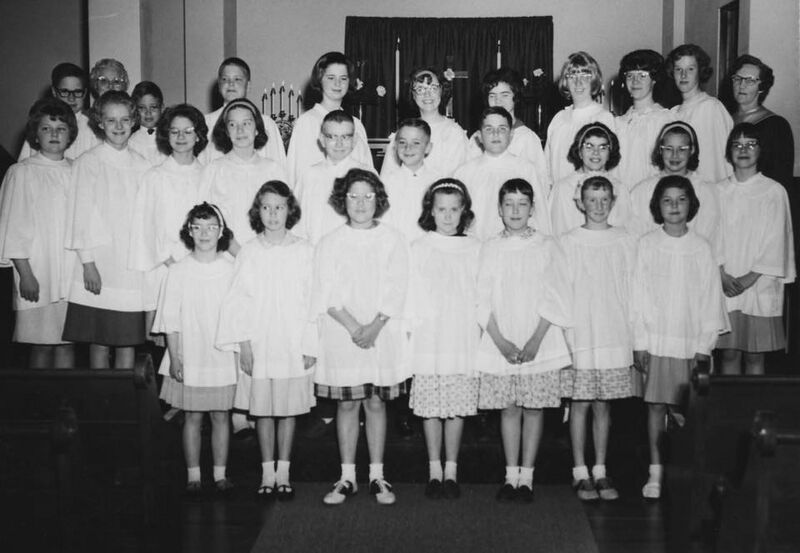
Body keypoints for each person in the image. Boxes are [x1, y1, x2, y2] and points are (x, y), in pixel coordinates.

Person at [308, 168, 409, 506]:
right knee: (347, 405)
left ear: (378, 199)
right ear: (343, 200)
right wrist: (354, 328)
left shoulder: (393, 238)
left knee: (376, 403)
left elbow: (399, 286)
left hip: (381, 333)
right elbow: (324, 292)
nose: (361, 203)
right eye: (354, 196)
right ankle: (347, 476)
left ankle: (377, 476)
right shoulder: (330, 242)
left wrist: (376, 325)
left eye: (368, 196)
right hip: (343, 335)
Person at [541, 176, 638, 502]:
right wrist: (566, 336)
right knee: (580, 404)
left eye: (604, 200)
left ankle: (600, 468)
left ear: (613, 202)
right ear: (580, 203)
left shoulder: (626, 240)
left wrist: (635, 335)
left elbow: (634, 290)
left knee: (603, 406)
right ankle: (579, 471)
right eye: (591, 200)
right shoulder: (567, 242)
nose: (598, 207)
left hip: (613, 334)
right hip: (580, 335)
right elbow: (558, 291)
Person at [631, 175, 729, 500]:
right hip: (656, 341)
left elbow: (711, 298)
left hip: (689, 342)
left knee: (687, 408)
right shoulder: (646, 244)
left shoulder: (701, 248)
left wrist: (704, 345)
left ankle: (684, 469)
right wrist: (640, 341)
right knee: (656, 406)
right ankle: (656, 472)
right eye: (667, 201)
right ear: (658, 206)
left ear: (692, 204)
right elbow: (637, 295)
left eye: (681, 200)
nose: (674, 206)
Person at [217, 181, 315, 501]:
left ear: (290, 210)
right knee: (263, 410)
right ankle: (267, 472)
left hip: (291, 341)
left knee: (286, 409)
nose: (273, 214)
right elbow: (237, 301)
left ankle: (284, 472)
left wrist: (310, 345)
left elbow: (313, 300)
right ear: (258, 211)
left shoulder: (303, 249)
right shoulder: (250, 250)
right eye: (266, 207)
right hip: (259, 342)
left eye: (279, 207)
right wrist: (243, 345)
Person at [476, 178, 571, 503]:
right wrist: (500, 340)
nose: (515, 211)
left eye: (522, 204)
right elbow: (481, 298)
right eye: (509, 204)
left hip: (539, 337)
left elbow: (556, 294)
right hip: (501, 335)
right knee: (509, 408)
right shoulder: (489, 246)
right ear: (500, 210)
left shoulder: (546, 244)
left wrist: (535, 340)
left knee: (533, 409)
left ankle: (527, 478)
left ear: (532, 209)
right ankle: (510, 475)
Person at [62, 90, 150, 369]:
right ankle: (99, 403)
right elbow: (79, 215)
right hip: (99, 262)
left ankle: (124, 404)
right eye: (111, 120)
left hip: (129, 266)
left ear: (134, 121)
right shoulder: (88, 162)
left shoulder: (143, 165)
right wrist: (88, 264)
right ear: (99, 122)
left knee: (127, 339)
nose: (119, 126)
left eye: (125, 120)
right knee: (99, 341)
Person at [155, 202, 237, 496]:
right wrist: (176, 356)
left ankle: (219, 474)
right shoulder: (178, 271)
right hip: (189, 354)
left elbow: (238, 316)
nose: (204, 233)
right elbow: (170, 319)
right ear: (189, 231)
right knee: (192, 416)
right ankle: (193, 475)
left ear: (221, 231)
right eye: (197, 227)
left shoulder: (231, 270)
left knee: (220, 416)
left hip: (221, 356)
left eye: (211, 227)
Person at [406, 178, 480, 500]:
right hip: (429, 336)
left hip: (461, 335)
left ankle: (452, 469)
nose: (448, 217)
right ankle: (434, 468)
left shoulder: (475, 248)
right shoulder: (419, 247)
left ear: (463, 212)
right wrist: (413, 331)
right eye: (441, 210)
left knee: (456, 407)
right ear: (431, 211)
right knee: (432, 407)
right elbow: (410, 295)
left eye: (454, 210)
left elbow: (481, 294)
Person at [0, 98, 78, 368]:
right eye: (46, 128)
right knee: (42, 345)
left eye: (61, 128)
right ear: (34, 134)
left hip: (70, 274)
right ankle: (39, 406)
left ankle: (65, 406)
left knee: (67, 344)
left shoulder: (77, 171)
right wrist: (26, 274)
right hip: (38, 274)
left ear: (71, 134)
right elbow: (13, 227)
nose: (54, 134)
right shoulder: (22, 172)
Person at [716, 123, 795, 374]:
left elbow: (777, 240)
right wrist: (721, 275)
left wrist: (749, 278)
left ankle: (749, 412)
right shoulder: (716, 191)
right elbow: (710, 237)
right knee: (728, 353)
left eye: (751, 144)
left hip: (758, 284)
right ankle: (730, 413)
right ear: (728, 151)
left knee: (754, 355)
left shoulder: (773, 191)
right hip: (725, 284)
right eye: (737, 145)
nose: (744, 150)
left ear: (761, 150)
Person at [129, 104, 208, 341]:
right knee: (164, 337)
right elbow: (144, 225)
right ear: (166, 135)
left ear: (199, 135)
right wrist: (166, 255)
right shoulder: (154, 176)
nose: (181, 137)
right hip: (163, 265)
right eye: (174, 131)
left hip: (199, 261)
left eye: (188, 131)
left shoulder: (207, 174)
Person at [200, 98, 288, 255]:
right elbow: (204, 219)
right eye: (233, 125)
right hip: (225, 258)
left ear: (257, 129)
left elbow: (285, 216)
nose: (240, 130)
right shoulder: (213, 170)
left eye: (246, 123)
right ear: (226, 132)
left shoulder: (273, 170)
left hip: (267, 256)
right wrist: (237, 253)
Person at [629, 122, 723, 262]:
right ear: (660, 150)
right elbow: (634, 236)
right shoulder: (642, 191)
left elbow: (713, 236)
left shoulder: (706, 190)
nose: (675, 155)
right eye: (668, 149)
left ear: (692, 150)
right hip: (654, 264)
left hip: (694, 263)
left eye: (682, 149)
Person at [454, 107, 550, 240]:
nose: (495, 134)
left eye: (502, 128)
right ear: (479, 137)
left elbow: (541, 215)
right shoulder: (464, 172)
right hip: (476, 246)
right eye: (489, 129)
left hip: (516, 246)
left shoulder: (526, 169)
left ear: (511, 135)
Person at [286, 52, 373, 184]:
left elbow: (367, 171)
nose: (338, 84)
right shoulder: (307, 122)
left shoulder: (357, 124)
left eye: (343, 78)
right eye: (331, 78)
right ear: (320, 80)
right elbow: (298, 174)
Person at [293, 110, 375, 244]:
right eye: (332, 137)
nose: (339, 143)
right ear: (322, 140)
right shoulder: (309, 175)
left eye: (345, 137)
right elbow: (298, 223)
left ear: (354, 140)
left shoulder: (367, 175)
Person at [381, 67, 468, 178]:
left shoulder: (454, 132)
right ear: (413, 94)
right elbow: (388, 175)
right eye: (420, 89)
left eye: (433, 88)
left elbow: (460, 176)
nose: (427, 94)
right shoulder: (404, 132)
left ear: (441, 91)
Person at [544, 52, 615, 188]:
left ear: (594, 80)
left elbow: (611, 166)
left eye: (585, 76)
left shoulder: (603, 118)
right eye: (572, 76)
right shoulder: (559, 119)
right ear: (566, 81)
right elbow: (546, 166)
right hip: (559, 195)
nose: (578, 82)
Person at [467, 67, 548, 186]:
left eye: (505, 95)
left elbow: (540, 183)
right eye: (492, 95)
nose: (498, 101)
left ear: (516, 98)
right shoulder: (477, 138)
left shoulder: (527, 138)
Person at [726, 54, 795, 191]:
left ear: (762, 87)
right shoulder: (724, 120)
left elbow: (781, 178)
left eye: (750, 81)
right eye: (737, 79)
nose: (742, 85)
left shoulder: (776, 126)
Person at [201, 57, 287, 167]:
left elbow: (278, 166)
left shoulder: (266, 123)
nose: (230, 84)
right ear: (219, 86)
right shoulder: (207, 122)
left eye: (237, 79)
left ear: (248, 86)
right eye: (225, 79)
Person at [549, 122, 631, 236]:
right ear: (579, 151)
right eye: (589, 146)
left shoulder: (620, 188)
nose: (596, 152)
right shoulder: (562, 188)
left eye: (602, 147)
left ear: (610, 153)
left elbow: (624, 230)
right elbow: (557, 231)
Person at [666, 44, 733, 183]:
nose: (683, 75)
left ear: (700, 71)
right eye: (679, 69)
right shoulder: (672, 113)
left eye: (690, 69)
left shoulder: (711, 108)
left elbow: (719, 164)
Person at [615, 50, 675, 189]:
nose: (635, 81)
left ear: (654, 79)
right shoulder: (618, 123)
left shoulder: (665, 121)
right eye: (630, 75)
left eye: (642, 75)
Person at [18, 62, 98, 161]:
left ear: (85, 93)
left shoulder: (92, 128)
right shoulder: (41, 125)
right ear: (54, 92)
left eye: (77, 92)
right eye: (65, 92)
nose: (71, 98)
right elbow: (24, 163)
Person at [380, 118, 441, 243]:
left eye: (416, 143)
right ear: (395, 146)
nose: (408, 148)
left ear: (428, 148)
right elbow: (382, 223)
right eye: (402, 142)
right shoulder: (386, 182)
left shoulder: (436, 182)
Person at [128, 81, 166, 165]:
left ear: (162, 108)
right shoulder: (131, 141)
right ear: (135, 110)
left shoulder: (168, 138)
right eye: (142, 108)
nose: (148, 113)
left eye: (153, 107)